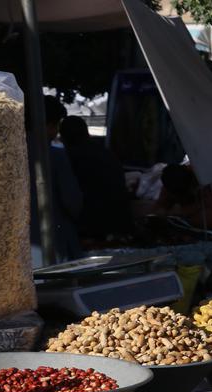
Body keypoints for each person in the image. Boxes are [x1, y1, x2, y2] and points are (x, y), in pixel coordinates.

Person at [59, 116, 133, 240]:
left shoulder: (70, 158)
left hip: (93, 226)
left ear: (64, 137)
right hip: (119, 222)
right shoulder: (105, 152)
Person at [30, 95, 83, 266]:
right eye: (56, 126)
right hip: (49, 247)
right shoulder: (54, 156)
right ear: (49, 125)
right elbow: (72, 203)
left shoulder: (0, 155)